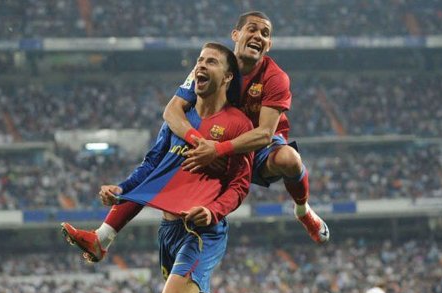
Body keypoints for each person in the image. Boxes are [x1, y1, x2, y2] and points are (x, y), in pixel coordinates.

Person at [76, 43, 276, 293]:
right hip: (168, 233)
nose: (201, 66)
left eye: (211, 61)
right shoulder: (177, 119)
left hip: (202, 233)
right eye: (199, 61)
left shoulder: (237, 125)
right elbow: (152, 164)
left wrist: (212, 211)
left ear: (227, 76)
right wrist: (123, 188)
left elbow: (238, 186)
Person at [61, 10, 329, 264]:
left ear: (268, 45)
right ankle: (103, 237)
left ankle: (303, 211)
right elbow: (172, 110)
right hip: (209, 138)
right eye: (252, 29)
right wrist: (198, 141)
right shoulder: (212, 64)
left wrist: (219, 149)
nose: (259, 36)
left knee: (290, 160)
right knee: (159, 165)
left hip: (250, 146)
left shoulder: (275, 78)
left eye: (265, 33)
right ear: (235, 35)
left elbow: (264, 134)